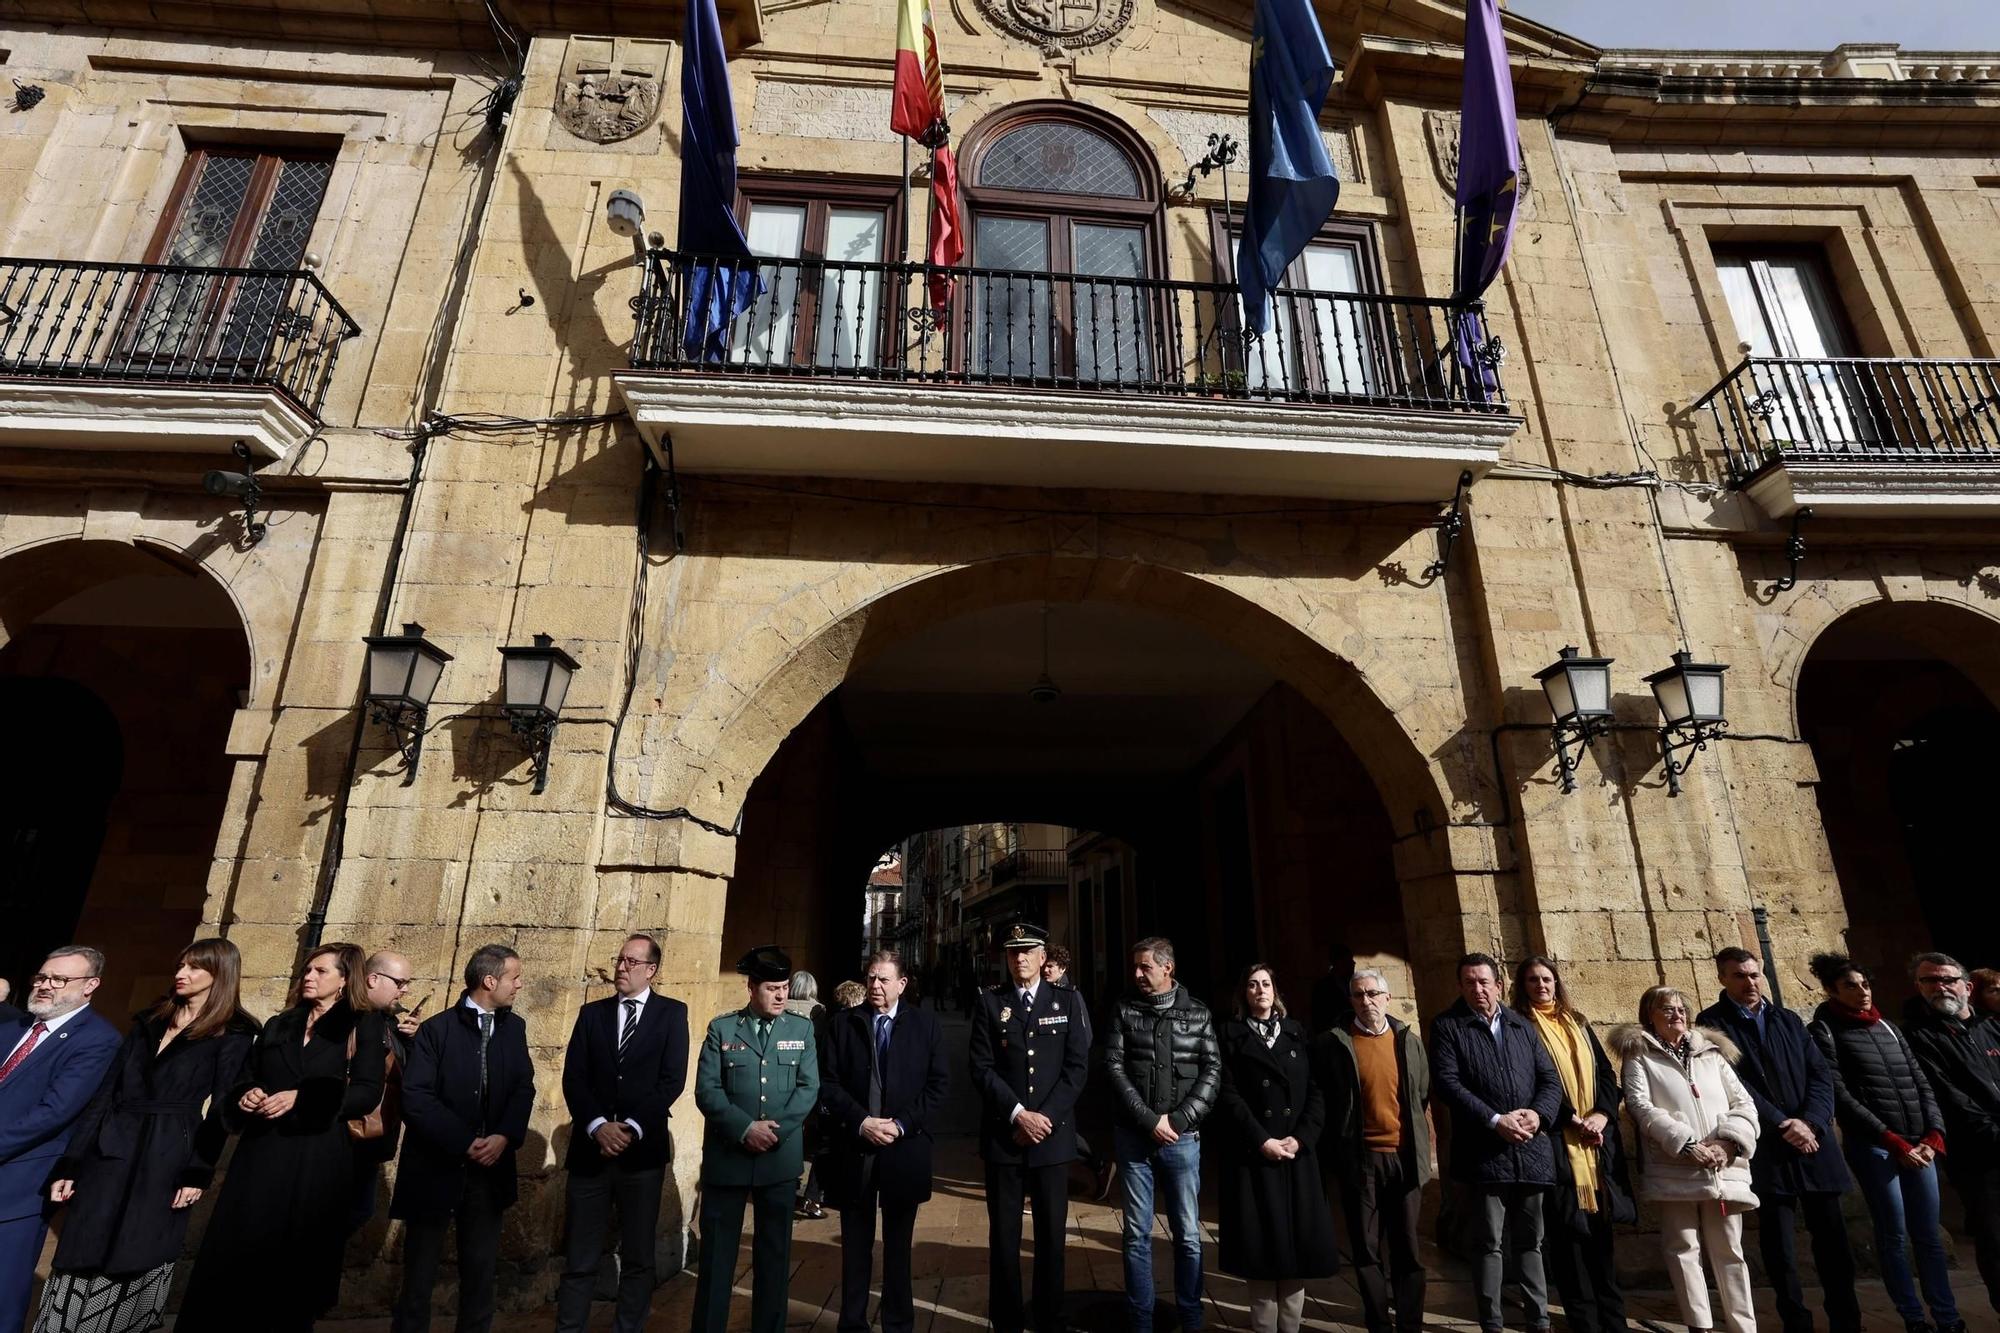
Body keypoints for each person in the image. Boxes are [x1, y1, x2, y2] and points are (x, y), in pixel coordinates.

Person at [34, 940, 259, 1333]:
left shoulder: (234, 1032)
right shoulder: (149, 1020)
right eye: (181, 965)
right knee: (84, 1239)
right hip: (112, 1144)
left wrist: (198, 1172)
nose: (180, 974)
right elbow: (106, 1093)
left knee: (140, 1246)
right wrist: (72, 1162)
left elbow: (222, 1109)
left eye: (193, 968)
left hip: (169, 1154)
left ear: (218, 975)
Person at [177, 942, 388, 1331]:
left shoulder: (363, 1023)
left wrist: (304, 1098)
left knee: (294, 1267)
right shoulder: (281, 1023)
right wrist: (248, 1093)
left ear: (344, 979)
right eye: (307, 970)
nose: (309, 977)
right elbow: (247, 1075)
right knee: (236, 1256)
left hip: (317, 1160)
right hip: (261, 1154)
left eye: (321, 971)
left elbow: (366, 1091)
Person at [1697, 947, 1858, 1333]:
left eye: (1754, 974)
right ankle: (1795, 1321)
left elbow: (1820, 1076)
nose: (1749, 982)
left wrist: (1813, 1123)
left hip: (1814, 1144)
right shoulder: (1711, 1024)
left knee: (1834, 1241)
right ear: (1722, 978)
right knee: (1779, 1246)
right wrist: (1783, 1122)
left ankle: (1847, 1321)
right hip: (1767, 1148)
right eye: (1739, 976)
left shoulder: (1786, 1018)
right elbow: (1735, 1085)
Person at [1809, 952, 1965, 1333]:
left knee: (1928, 1234)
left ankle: (1947, 1316)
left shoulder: (1890, 1028)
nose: (1862, 992)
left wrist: (1934, 1135)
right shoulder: (1825, 1030)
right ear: (1831, 991)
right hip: (1877, 1147)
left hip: (1919, 1145)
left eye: (1865, 984)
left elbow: (1920, 1082)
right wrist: (1892, 1140)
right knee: (1894, 1233)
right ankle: (1913, 1317)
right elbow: (1841, 1094)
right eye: (1851, 986)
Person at [389, 944, 533, 1333]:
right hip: (436, 1167)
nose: (519, 985)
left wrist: (504, 1136)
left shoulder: (514, 1027)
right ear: (490, 981)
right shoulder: (437, 1030)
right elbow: (417, 1097)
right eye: (514, 977)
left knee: (481, 1270)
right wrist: (465, 1141)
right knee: (419, 1272)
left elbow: (523, 1088)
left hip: (490, 1171)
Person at [555, 933, 690, 1333]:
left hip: (641, 1155)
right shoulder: (591, 1014)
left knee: (637, 1256)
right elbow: (574, 1078)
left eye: (632, 962)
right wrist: (598, 1126)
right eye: (619, 960)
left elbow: (671, 1081)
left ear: (651, 970)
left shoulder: (671, 1014)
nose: (621, 968)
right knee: (579, 1256)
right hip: (590, 1153)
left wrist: (630, 1127)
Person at [967, 922, 1091, 1333]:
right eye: (1012, 951)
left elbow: (1076, 1069)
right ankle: (1006, 1319)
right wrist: (1018, 1114)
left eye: (1028, 950)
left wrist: (1044, 1119)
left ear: (1043, 957)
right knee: (1003, 1239)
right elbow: (981, 1068)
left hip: (1052, 1141)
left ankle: (1049, 1317)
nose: (1019, 958)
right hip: (1005, 1138)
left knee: (1051, 1237)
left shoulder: (1067, 1001)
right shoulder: (989, 1003)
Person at [1614, 985, 1760, 1333]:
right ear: (1649, 1015)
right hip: (1676, 1168)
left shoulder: (1712, 1053)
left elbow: (1744, 1104)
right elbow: (1640, 1107)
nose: (1676, 1014)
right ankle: (1700, 1325)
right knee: (1683, 1249)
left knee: (1730, 1251)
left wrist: (1729, 1143)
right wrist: (1685, 1142)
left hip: (1723, 1169)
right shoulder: (1640, 1057)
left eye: (1681, 1008)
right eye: (1666, 1009)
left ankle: (1744, 1326)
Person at [818, 950, 950, 1333]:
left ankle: (898, 1323)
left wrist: (901, 1125)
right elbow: (828, 1083)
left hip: (903, 1150)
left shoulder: (926, 1025)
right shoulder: (844, 1024)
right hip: (855, 1149)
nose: (874, 986)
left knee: (898, 1249)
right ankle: (853, 1322)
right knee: (855, 1248)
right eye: (870, 978)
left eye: (883, 979)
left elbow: (938, 1085)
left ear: (902, 984)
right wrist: (861, 1122)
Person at [690, 946, 820, 1333]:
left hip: (778, 1163)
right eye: (772, 988)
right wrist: (745, 1129)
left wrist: (773, 1132)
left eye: (783, 987)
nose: (781, 995)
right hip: (728, 1161)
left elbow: (808, 1087)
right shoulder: (722, 1029)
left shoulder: (802, 1029)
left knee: (774, 1258)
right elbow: (707, 1091)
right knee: (716, 1259)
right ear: (751, 988)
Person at [1429, 952, 1560, 1333]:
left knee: (1532, 1241)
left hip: (1530, 1151)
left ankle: (1539, 1319)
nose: (1478, 989)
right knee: (1489, 1241)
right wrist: (1494, 1120)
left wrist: (1537, 1115)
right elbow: (1448, 1084)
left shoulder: (1521, 1026)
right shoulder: (1448, 1026)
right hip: (1486, 1152)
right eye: (1469, 982)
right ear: (1460, 986)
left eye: (1484, 982)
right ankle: (1492, 1322)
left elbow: (1549, 1080)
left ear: (1498, 986)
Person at [0, 948, 121, 1333]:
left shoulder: (98, 1039)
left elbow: (55, 1111)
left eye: (59, 980)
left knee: (3, 1295)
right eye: (42, 977)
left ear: (91, 986)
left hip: (19, 1185)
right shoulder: (12, 1028)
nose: (46, 985)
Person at [1104, 935, 1221, 1333]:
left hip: (1183, 1140)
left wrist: (1181, 1119)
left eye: (1145, 967)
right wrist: (1149, 1119)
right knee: (1136, 1233)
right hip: (1135, 1138)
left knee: (1188, 1234)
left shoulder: (1199, 1014)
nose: (1137, 974)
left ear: (1167, 968)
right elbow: (1115, 1067)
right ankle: (1142, 1320)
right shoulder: (1123, 1009)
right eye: (1135, 967)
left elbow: (1212, 1072)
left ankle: (1191, 1316)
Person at [1212, 964, 1337, 1333]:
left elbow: (1317, 1091)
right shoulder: (1230, 1036)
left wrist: (1301, 1138)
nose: (1260, 990)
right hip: (1255, 1158)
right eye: (1252, 984)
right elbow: (1228, 1095)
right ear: (1243, 994)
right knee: (1262, 1253)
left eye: (1266, 984)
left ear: (1275, 992)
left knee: (1297, 1252)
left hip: (1296, 1157)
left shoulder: (1298, 1034)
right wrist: (1261, 1140)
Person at [1513, 957, 1632, 1333]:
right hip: (1556, 1144)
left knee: (1602, 1242)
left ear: (1556, 982)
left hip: (1596, 1145)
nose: (1541, 985)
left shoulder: (1577, 1022)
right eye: (1532, 980)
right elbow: (1529, 1081)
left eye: (1547, 978)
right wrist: (1570, 1119)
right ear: (1522, 985)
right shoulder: (1520, 1026)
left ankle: (1615, 1323)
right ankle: (1584, 1322)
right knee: (1568, 1241)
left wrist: (1602, 1115)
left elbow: (1605, 1073)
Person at [1314, 968, 1429, 1333]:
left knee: (1407, 1247)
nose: (1367, 1002)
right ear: (1351, 1001)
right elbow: (1327, 1100)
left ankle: (1409, 1323)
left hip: (1404, 1157)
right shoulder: (1333, 1043)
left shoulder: (1408, 1040)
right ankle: (1378, 1322)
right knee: (1365, 1247)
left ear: (1387, 998)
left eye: (1373, 994)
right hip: (1360, 1160)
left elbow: (1421, 1092)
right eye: (1359, 995)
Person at [1902, 952, 2000, 1319]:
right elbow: (1949, 1098)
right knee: (1995, 1240)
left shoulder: (1992, 1028)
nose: (1940, 987)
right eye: (1930, 981)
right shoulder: (1918, 1036)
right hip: (1978, 1157)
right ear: (1919, 988)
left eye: (1948, 979)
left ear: (1967, 986)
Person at [349, 949, 422, 1235]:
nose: (405, 990)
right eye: (400, 982)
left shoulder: (389, 1023)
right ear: (372, 979)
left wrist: (412, 1041)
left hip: (373, 1138)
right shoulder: (351, 1019)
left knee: (358, 1212)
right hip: (346, 1135)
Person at [789, 970, 830, 1220]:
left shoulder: (781, 1008)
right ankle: (812, 1194)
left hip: (783, 1079)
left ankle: (789, 1178)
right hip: (808, 1077)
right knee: (813, 1132)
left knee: (788, 1129)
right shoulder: (819, 1011)